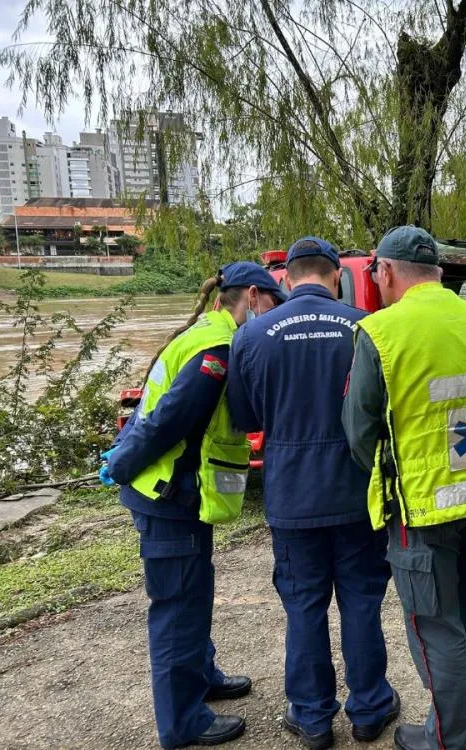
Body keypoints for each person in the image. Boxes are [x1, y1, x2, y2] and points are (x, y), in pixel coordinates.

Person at [100, 262, 286, 749]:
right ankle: (182, 722)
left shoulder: (206, 333)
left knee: (195, 591)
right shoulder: (217, 350)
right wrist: (121, 463)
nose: (274, 316)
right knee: (179, 607)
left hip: (183, 494)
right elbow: (166, 420)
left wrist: (121, 454)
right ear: (252, 296)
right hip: (167, 493)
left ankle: (202, 676)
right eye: (273, 304)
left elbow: (152, 406)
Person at [342, 226, 466, 750]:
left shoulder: (380, 332)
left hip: (422, 507)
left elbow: (359, 429)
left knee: (435, 623)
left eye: (376, 272)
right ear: (438, 272)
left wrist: (387, 474)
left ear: (386, 271)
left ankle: (448, 738)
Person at [226, 237, 399, 750]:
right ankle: (369, 709)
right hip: (355, 490)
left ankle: (312, 717)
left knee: (304, 606)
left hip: (292, 494)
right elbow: (382, 411)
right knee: (362, 601)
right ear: (336, 277)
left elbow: (245, 418)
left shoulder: (252, 335)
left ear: (285, 277)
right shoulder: (366, 327)